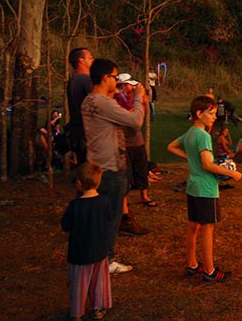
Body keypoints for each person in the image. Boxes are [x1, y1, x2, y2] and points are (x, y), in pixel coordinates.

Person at [167, 95, 242, 284]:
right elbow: (208, 164)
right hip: (206, 188)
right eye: (211, 113)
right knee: (207, 229)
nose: (214, 117)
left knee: (194, 226)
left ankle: (192, 265)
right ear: (199, 114)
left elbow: (171, 147)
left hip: (193, 187)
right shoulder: (203, 136)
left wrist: (189, 157)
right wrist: (231, 173)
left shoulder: (191, 132)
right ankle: (209, 271)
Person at [82, 59, 146, 274]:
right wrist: (138, 97)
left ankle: (97, 255)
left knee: (99, 215)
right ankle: (106, 260)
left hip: (97, 166)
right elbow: (135, 121)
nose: (117, 82)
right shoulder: (102, 102)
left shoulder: (88, 101)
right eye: (114, 77)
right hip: (110, 168)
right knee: (112, 216)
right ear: (105, 78)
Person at [61, 162, 112, 321]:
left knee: (78, 285)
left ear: (79, 184)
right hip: (100, 250)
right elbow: (109, 221)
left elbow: (66, 225)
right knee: (99, 282)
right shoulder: (105, 201)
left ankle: (77, 313)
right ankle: (98, 308)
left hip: (80, 253)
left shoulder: (75, 206)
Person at [115, 73, 156, 209]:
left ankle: (144, 195)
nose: (131, 88)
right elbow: (131, 118)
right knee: (125, 173)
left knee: (141, 168)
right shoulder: (116, 100)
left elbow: (138, 119)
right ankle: (124, 202)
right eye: (128, 85)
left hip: (137, 140)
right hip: (123, 142)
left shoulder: (135, 100)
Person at [66, 47, 94, 166]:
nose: (93, 60)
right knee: (91, 168)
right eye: (90, 58)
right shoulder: (85, 80)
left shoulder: (74, 80)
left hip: (79, 130)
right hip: (87, 132)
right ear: (81, 61)